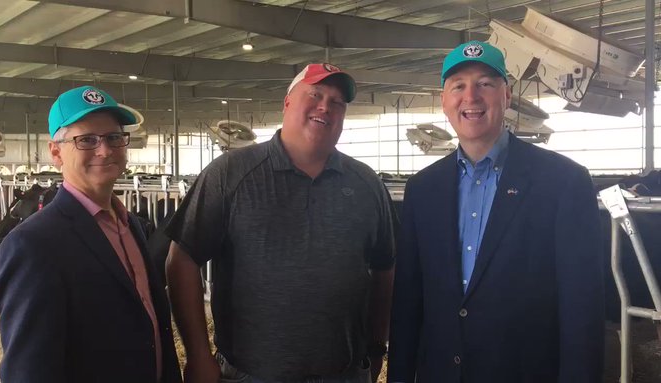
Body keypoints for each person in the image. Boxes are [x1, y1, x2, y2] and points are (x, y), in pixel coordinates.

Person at [387, 41, 604, 383]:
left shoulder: (563, 182)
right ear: (444, 101)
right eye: (458, 86)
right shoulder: (423, 189)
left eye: (486, 84)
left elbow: (583, 308)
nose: (471, 97)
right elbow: (408, 303)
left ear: (506, 96)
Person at [166, 63, 397, 383]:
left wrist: (375, 347)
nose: (325, 107)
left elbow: (385, 268)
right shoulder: (230, 174)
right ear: (287, 102)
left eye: (337, 102)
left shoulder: (366, 183)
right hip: (249, 374)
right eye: (314, 94)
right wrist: (198, 355)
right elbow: (182, 260)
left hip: (344, 373)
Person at [0, 86, 182, 383]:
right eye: (87, 140)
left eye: (113, 137)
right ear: (56, 152)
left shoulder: (131, 224)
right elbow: (27, 372)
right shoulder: (31, 245)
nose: (104, 150)